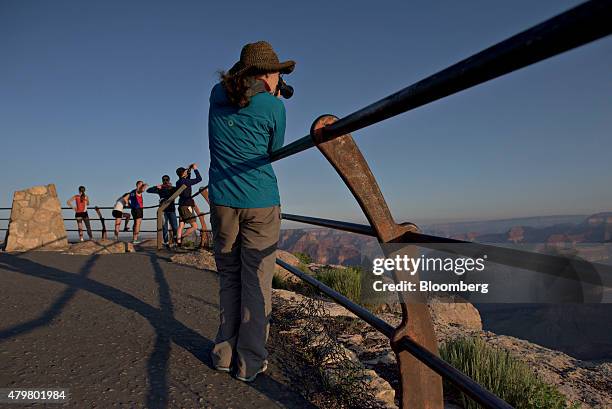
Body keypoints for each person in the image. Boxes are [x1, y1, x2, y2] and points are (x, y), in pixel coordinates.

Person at [208, 41, 293, 382]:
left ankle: (223, 355)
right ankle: (251, 362)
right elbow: (276, 150)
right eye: (277, 74)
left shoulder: (217, 95)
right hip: (259, 200)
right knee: (257, 281)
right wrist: (273, 101)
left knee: (229, 275)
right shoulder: (273, 108)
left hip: (222, 200)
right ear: (267, 74)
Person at [147, 175, 178, 247]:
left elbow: (180, 190)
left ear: (169, 180)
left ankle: (175, 241)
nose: (165, 181)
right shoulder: (160, 189)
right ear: (162, 181)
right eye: (164, 180)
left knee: (175, 227)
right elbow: (148, 190)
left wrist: (172, 186)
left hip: (171, 210)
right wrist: (157, 187)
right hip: (163, 210)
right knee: (164, 227)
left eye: (167, 180)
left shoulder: (172, 188)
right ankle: (166, 242)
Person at [175, 164, 202, 246]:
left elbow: (188, 177)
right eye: (185, 171)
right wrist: (195, 169)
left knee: (181, 225)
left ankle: (178, 243)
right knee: (194, 226)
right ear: (183, 173)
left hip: (181, 205)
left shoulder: (178, 182)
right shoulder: (185, 181)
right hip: (187, 206)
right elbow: (199, 179)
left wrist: (189, 169)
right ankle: (181, 237)